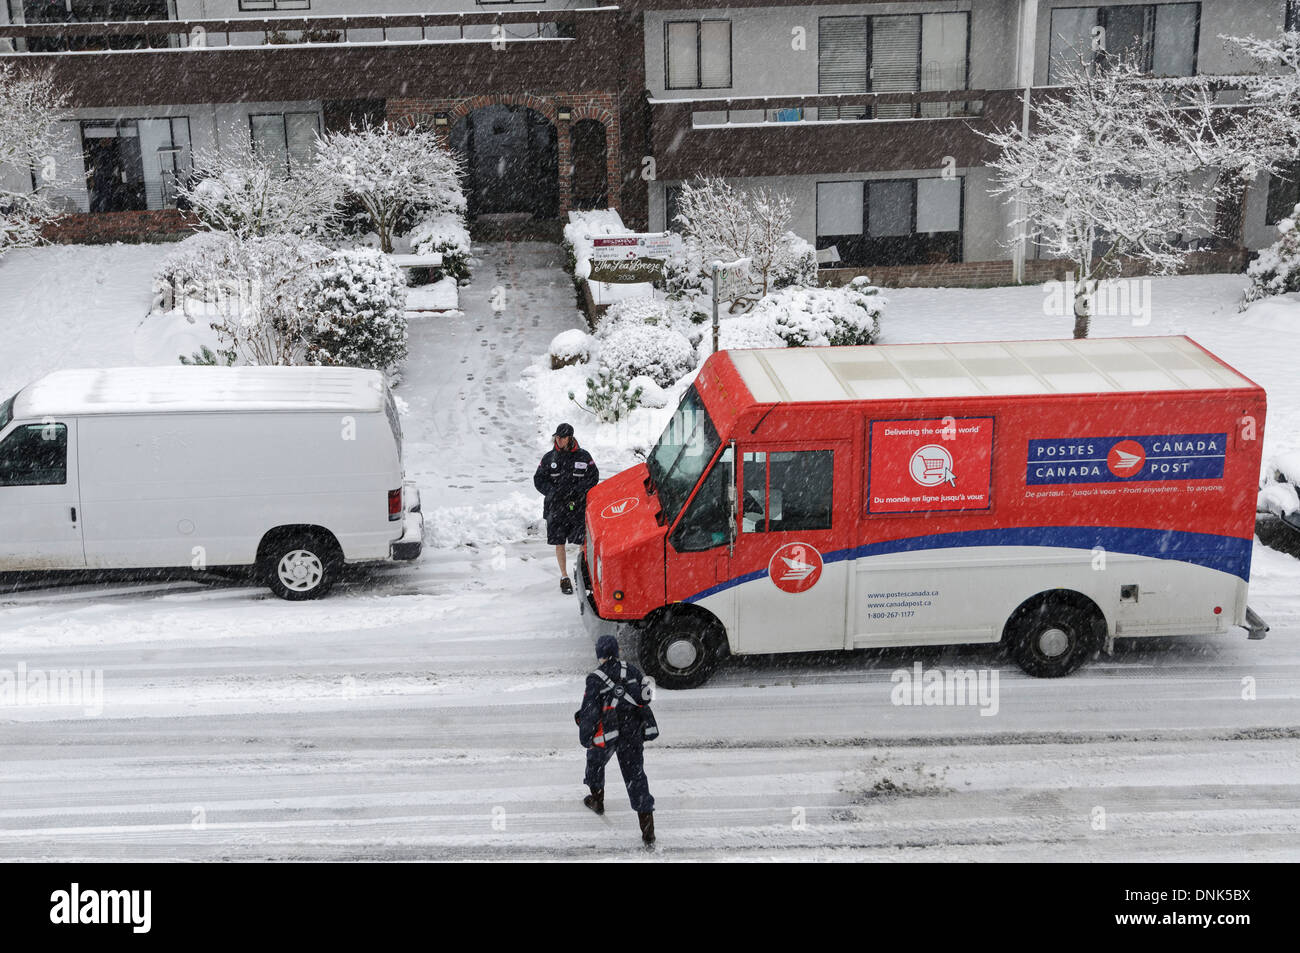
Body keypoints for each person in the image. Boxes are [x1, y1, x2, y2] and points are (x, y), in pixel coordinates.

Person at [575, 635, 657, 845]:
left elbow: (590, 711)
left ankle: (597, 800)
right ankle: (647, 829)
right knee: (636, 776)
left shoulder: (595, 679)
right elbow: (644, 697)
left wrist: (586, 736)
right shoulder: (631, 669)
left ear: (599, 655)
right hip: (633, 732)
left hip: (609, 733)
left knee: (594, 761)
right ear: (617, 651)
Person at [533, 423, 598, 595]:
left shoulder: (584, 457)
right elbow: (538, 479)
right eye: (557, 437)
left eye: (562, 437)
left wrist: (579, 491)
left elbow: (593, 477)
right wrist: (552, 492)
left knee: (582, 542)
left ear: (570, 438)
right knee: (559, 542)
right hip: (556, 508)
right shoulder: (549, 458)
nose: (559, 440)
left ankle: (583, 575)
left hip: (577, 507)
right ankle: (564, 577)